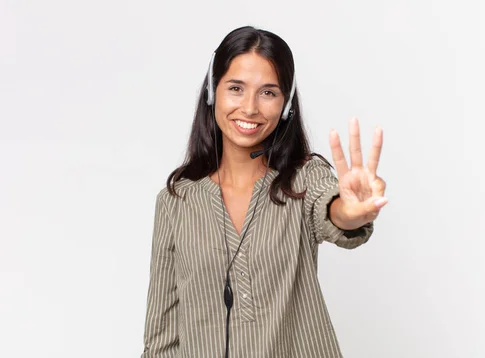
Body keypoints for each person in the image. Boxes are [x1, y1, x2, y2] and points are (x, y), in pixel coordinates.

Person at [141, 26, 387, 358]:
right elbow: (161, 338)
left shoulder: (304, 179)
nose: (250, 108)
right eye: (236, 88)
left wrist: (348, 210)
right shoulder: (176, 201)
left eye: (268, 93)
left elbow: (331, 211)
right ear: (213, 93)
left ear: (286, 106)